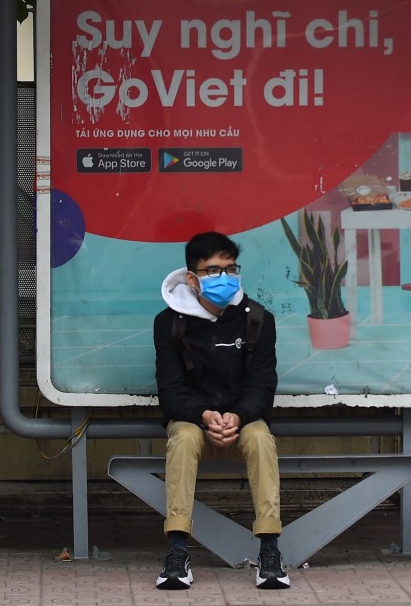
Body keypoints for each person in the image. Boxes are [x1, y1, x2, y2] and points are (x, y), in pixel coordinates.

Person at [153, 231, 290, 590]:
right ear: (193, 278)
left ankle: (270, 551)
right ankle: (177, 551)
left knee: (261, 438)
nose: (224, 277)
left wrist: (239, 416)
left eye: (230, 268)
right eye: (213, 271)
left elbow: (263, 386)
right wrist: (204, 416)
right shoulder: (169, 323)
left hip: (242, 420)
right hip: (192, 421)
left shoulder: (257, 319)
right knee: (182, 439)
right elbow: (170, 392)